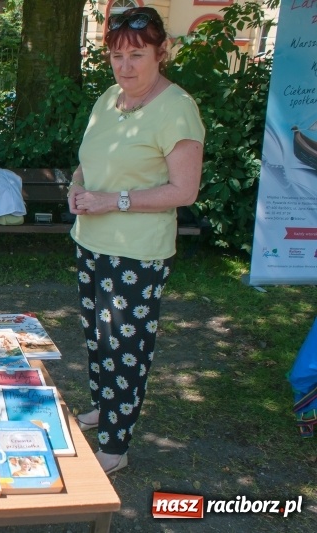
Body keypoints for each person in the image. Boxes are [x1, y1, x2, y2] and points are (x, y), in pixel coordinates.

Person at [68, 7, 205, 475]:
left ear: (161, 53)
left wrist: (112, 200)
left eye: (136, 54)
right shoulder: (109, 97)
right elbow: (91, 155)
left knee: (125, 346)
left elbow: (183, 190)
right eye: (116, 55)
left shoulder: (177, 108)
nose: (125, 66)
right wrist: (76, 183)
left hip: (138, 252)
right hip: (91, 241)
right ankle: (103, 410)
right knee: (97, 336)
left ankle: (115, 444)